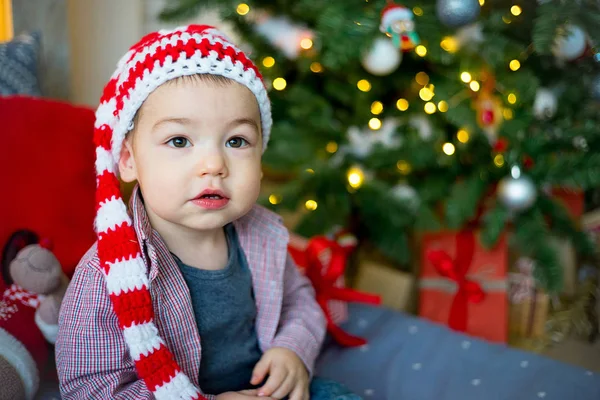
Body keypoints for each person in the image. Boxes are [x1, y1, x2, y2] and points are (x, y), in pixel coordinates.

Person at [55, 24, 361, 400]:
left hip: (261, 389)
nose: (213, 164)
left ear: (261, 160)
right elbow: (91, 389)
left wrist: (291, 349)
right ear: (128, 161)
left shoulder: (262, 236)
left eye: (236, 141)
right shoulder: (105, 276)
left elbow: (299, 300)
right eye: (179, 140)